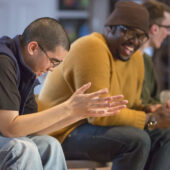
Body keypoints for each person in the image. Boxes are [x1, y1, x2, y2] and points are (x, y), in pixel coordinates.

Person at [38, 1, 170, 170]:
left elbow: (129, 104)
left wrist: (151, 111)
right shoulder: (92, 46)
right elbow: (98, 114)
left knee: (164, 136)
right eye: (128, 33)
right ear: (109, 28)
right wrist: (150, 120)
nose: (134, 42)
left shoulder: (136, 58)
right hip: (62, 132)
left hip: (93, 128)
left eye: (140, 37)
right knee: (137, 140)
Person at [0, 17, 128, 170]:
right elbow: (9, 128)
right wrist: (67, 107)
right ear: (33, 48)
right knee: (23, 148)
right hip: (7, 133)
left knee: (50, 144)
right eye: (53, 61)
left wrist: (77, 114)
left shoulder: (27, 70)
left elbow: (32, 130)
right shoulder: (4, 62)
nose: (52, 68)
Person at [140, 1, 170, 111]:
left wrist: (161, 107)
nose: (168, 33)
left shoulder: (147, 60)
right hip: (141, 123)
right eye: (167, 28)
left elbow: (154, 100)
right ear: (154, 29)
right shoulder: (127, 60)